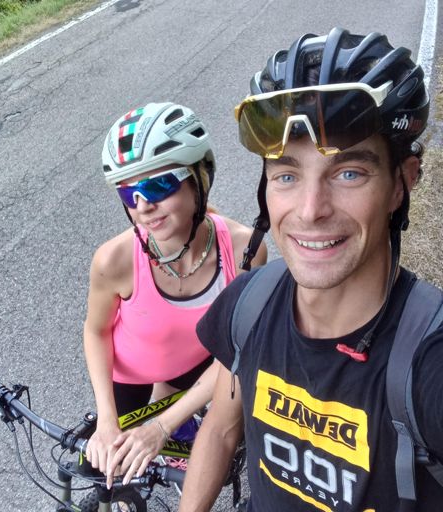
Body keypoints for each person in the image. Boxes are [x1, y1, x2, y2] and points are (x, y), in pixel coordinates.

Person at [179, 27, 443, 511]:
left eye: (349, 173)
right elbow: (220, 428)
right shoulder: (248, 303)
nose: (309, 210)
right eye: (287, 175)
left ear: (400, 184)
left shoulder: (429, 364)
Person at [83, 102, 267, 487]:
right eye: (128, 192)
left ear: (200, 177)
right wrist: (106, 421)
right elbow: (97, 332)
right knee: (109, 478)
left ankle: (178, 417)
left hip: (197, 364)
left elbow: (235, 351)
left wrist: (162, 426)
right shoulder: (114, 260)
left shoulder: (244, 251)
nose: (143, 206)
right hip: (130, 376)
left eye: (159, 185)